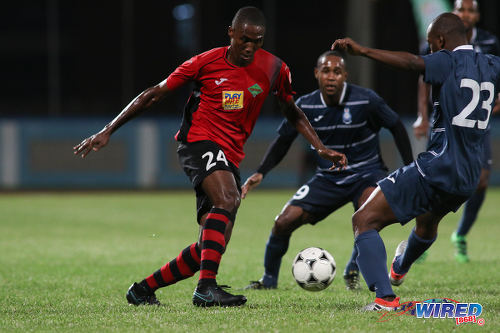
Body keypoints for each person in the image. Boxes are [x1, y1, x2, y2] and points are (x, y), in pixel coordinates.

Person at [73, 7, 346, 307]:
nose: (250, 47)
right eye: (244, 39)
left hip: (229, 156)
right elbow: (155, 93)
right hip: (197, 142)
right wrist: (109, 129)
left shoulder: (274, 69)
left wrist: (318, 146)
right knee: (228, 199)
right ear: (231, 32)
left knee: (212, 243)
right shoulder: (204, 62)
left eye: (257, 41)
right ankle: (206, 288)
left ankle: (142, 290)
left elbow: (290, 109)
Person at [332, 12, 500, 311]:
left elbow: (412, 63)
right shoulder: (491, 64)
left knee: (363, 219)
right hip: (468, 176)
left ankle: (385, 299)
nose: (430, 51)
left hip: (439, 165)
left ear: (440, 41)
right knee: (428, 220)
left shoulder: (447, 59)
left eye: (431, 44)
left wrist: (364, 51)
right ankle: (398, 268)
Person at [242, 50, 413, 291]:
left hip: (367, 172)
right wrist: (261, 171)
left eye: (336, 72)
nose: (331, 77)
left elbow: (396, 126)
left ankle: (354, 268)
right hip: (328, 178)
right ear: (316, 74)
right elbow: (283, 140)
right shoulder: (305, 105)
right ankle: (269, 279)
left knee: (369, 216)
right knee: (282, 222)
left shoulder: (366, 100)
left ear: (345, 75)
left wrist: (408, 167)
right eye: (325, 71)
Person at [414, 0, 500, 263]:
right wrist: (423, 115)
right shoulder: (439, 38)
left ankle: (460, 234)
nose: (465, 14)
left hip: (475, 124)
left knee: (482, 179)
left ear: (477, 15)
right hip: (444, 120)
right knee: (434, 179)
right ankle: (422, 238)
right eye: (460, 9)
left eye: (470, 10)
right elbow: (422, 77)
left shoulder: (489, 42)